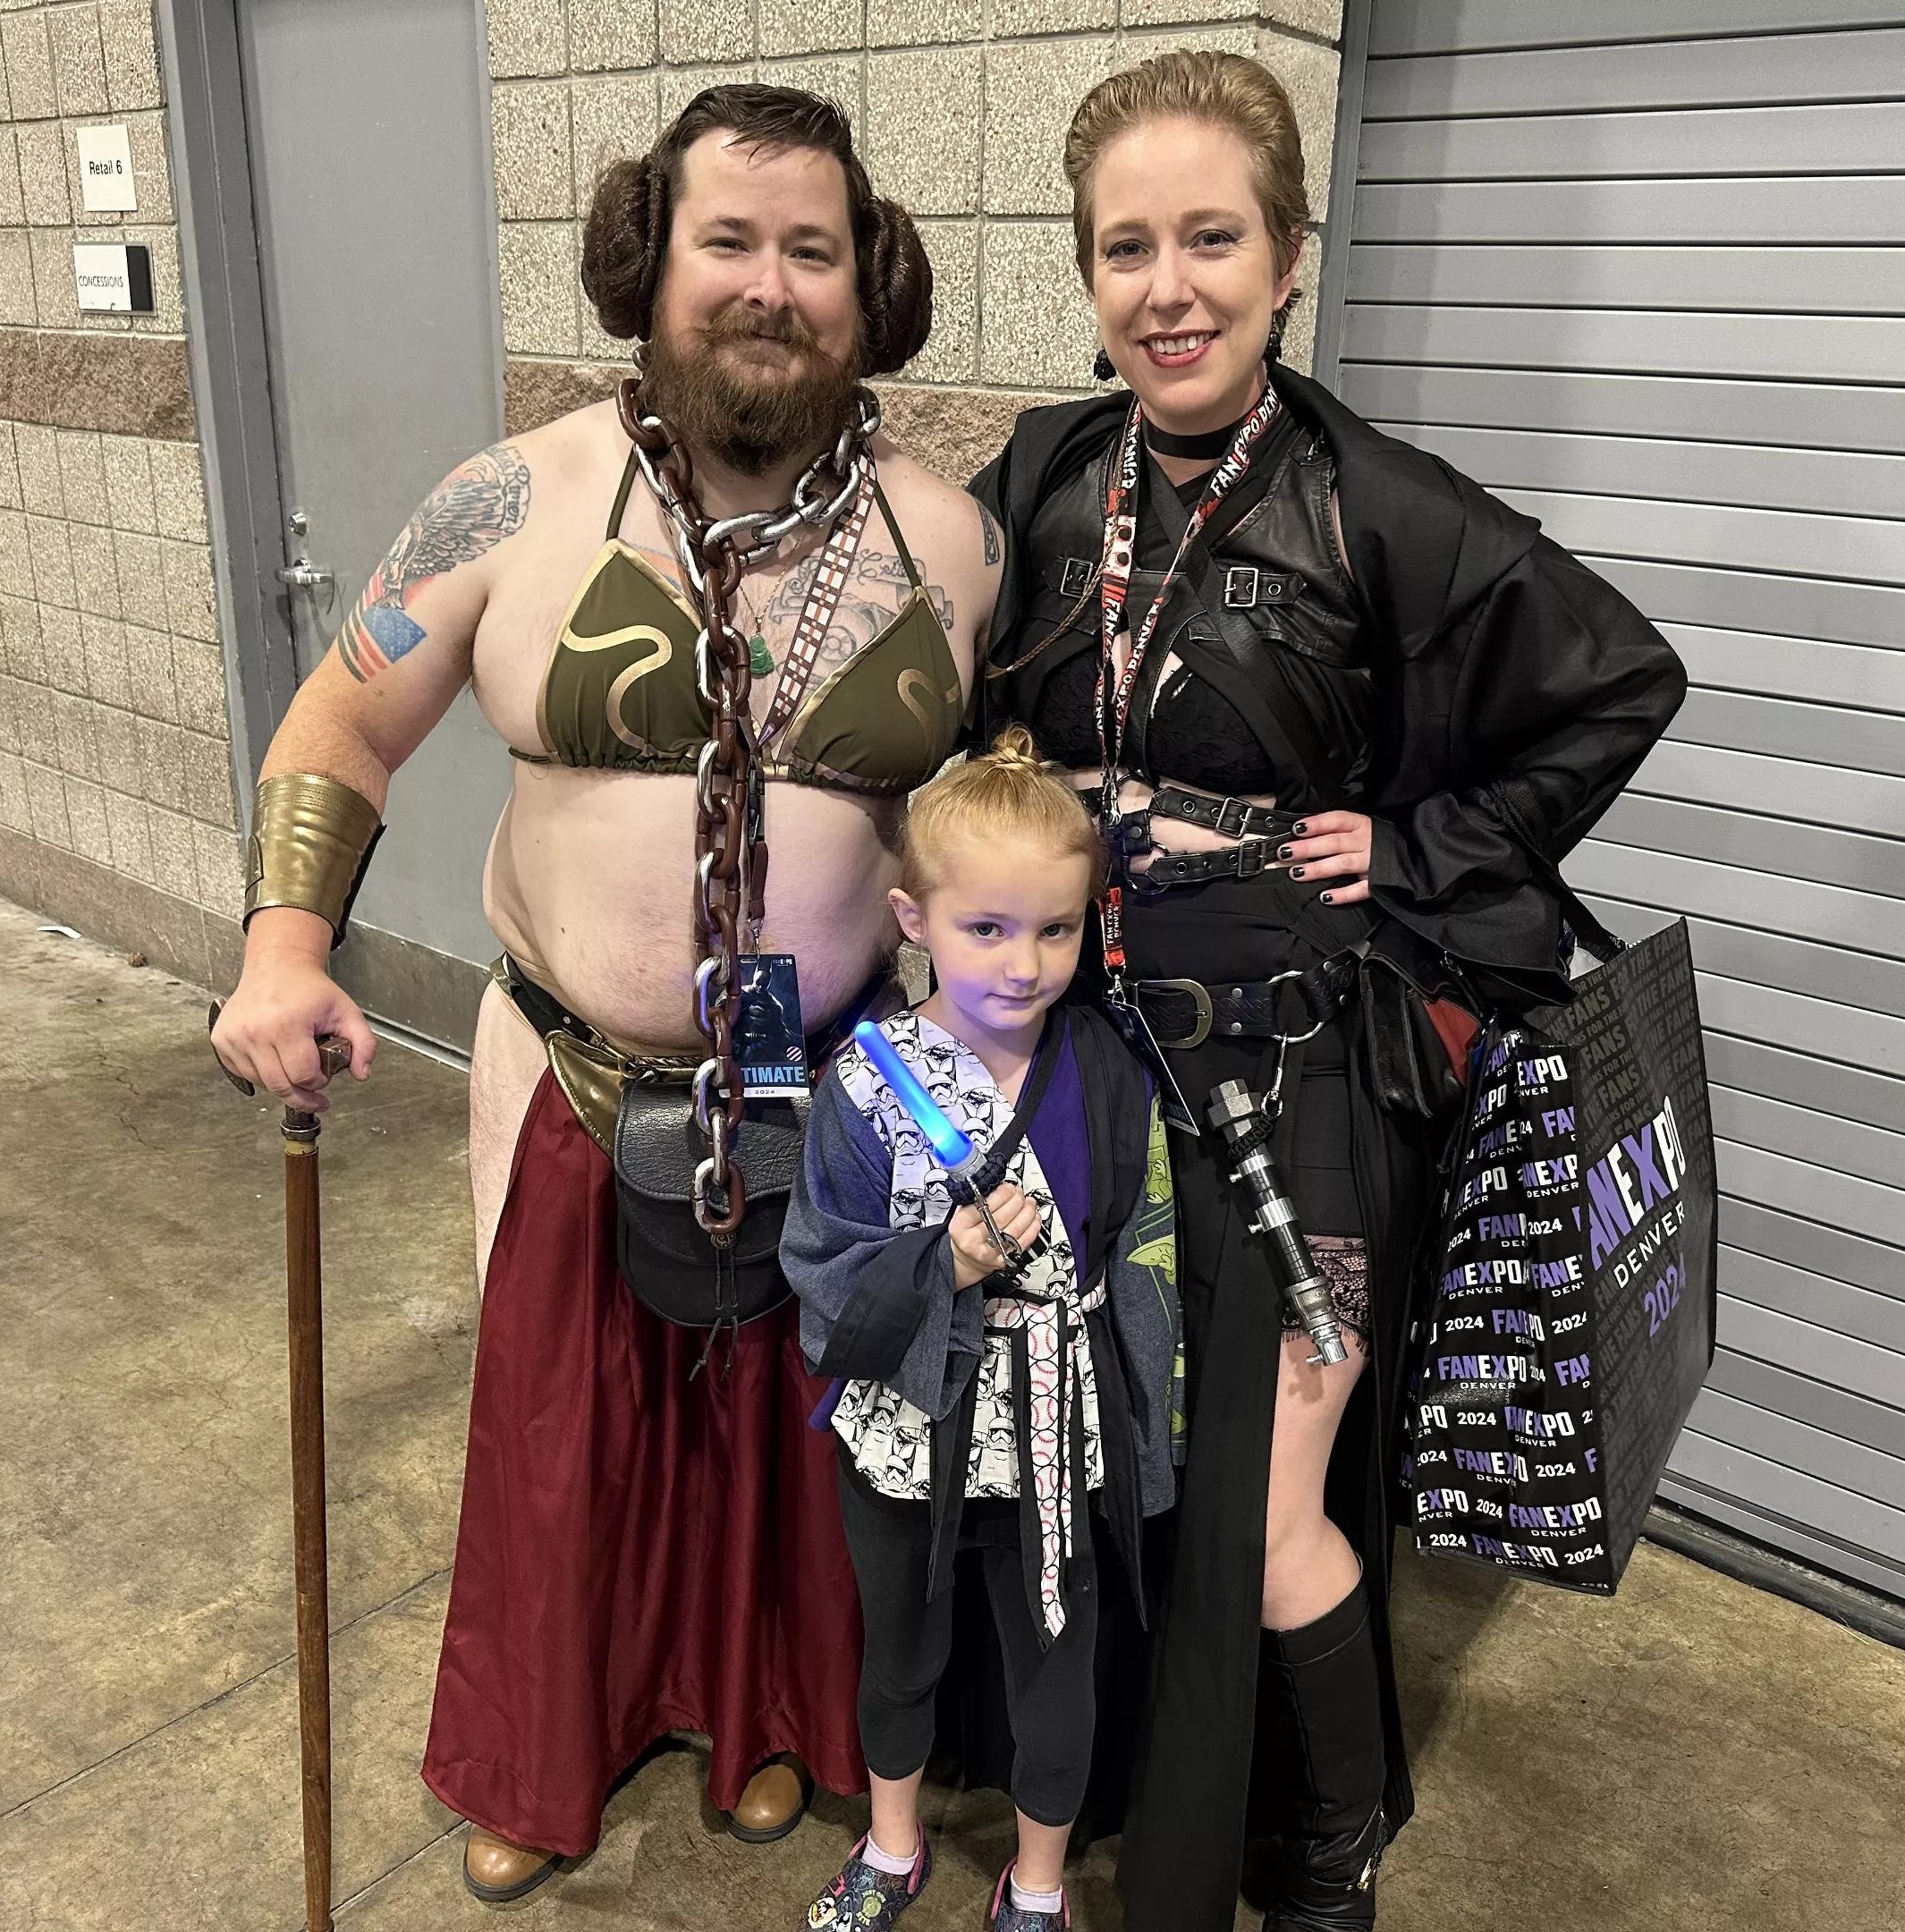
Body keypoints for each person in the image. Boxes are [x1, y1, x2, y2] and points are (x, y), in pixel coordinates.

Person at [207, 84, 1004, 1903]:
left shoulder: (951, 543)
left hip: (830, 1086)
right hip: (569, 1075)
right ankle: (541, 1754)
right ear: (649, 262)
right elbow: (344, 717)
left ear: (871, 282)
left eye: (812, 250)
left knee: (793, 1434)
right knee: (559, 1445)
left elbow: (996, 817)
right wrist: (283, 946)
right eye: (728, 241)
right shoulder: (515, 495)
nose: (768, 285)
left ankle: (760, 1717)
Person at [968, 50, 1688, 1932]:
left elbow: (1622, 681)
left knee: (1267, 1504)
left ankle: (1325, 1853)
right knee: (1110, 1462)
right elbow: (937, 682)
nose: (1169, 288)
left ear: (1289, 257)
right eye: (1127, 246)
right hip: (1087, 1064)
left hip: (1301, 1089)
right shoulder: (1044, 476)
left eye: (1212, 238)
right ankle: (1123, 1778)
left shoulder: (1379, 500)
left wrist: (1426, 842)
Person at [779, 726, 1180, 1931]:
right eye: (987, 928)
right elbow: (817, 1264)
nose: (1024, 963)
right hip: (910, 1419)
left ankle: (1038, 1881)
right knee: (900, 1649)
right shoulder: (866, 1082)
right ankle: (893, 1845)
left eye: (1055, 930)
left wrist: (1152, 1426)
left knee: (1058, 1668)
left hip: (1061, 1420)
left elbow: (1147, 1250)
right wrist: (942, 1261)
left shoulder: (1109, 1069)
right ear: (914, 920)